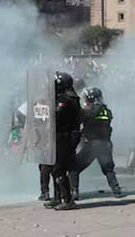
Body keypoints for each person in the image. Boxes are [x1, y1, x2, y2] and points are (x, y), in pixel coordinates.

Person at [71, 87, 122, 199]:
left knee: (74, 168)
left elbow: (80, 119)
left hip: (93, 145)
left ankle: (74, 192)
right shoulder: (106, 110)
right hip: (106, 144)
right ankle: (116, 189)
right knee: (108, 169)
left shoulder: (90, 111)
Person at [44, 71, 82, 211]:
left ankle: (67, 200)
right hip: (63, 137)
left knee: (58, 168)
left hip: (65, 138)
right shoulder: (69, 97)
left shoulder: (65, 100)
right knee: (55, 167)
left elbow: (55, 115)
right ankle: (58, 197)